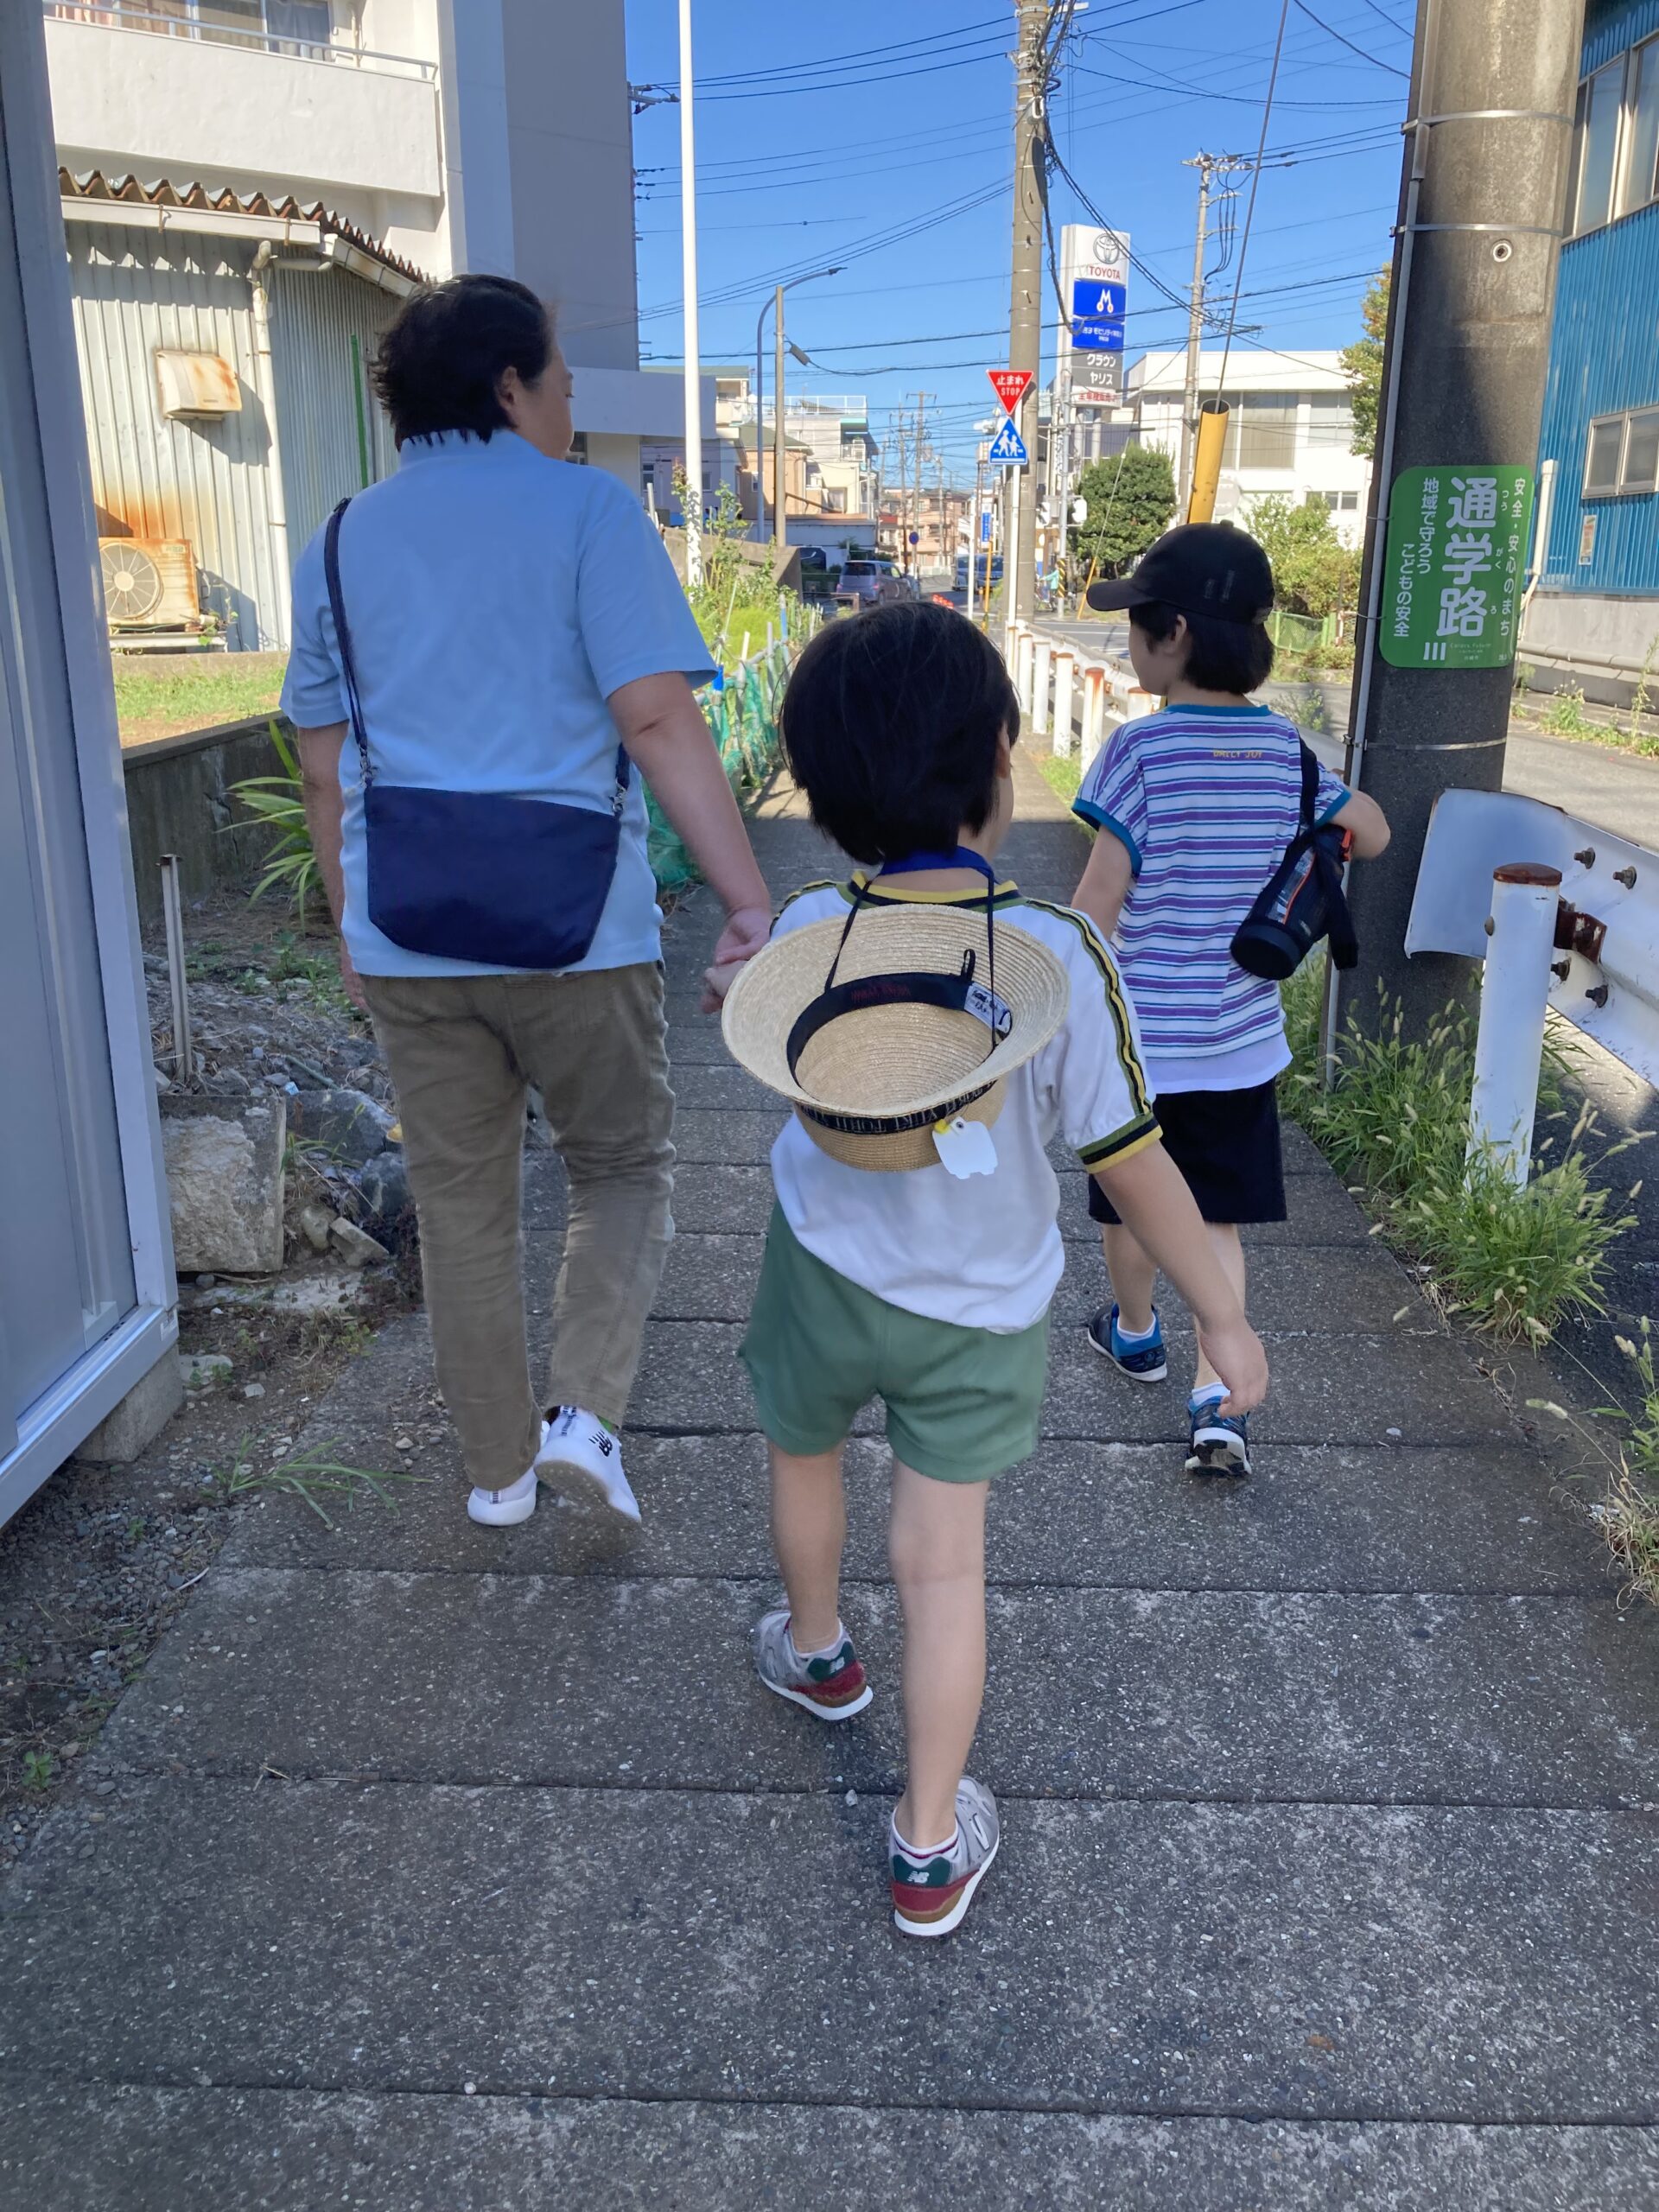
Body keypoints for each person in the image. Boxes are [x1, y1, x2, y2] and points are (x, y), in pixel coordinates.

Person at [715, 601, 1268, 1937]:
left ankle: (816, 1651)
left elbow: (775, 1050)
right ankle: (926, 1843)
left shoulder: (808, 927)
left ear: (823, 793)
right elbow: (1132, 1158)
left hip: (820, 1267)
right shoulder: (1060, 957)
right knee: (941, 1566)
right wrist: (1222, 1317)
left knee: (801, 1455)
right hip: (979, 1312)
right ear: (1002, 761)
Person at [281, 276, 772, 1532]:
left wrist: (350, 925)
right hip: (577, 931)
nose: (567, 403)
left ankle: (497, 1475)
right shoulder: (588, 510)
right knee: (620, 1167)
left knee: (460, 1206)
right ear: (510, 385)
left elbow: (324, 770)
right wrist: (746, 897)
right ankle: (586, 1418)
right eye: (559, 380)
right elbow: (655, 719)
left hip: (408, 927)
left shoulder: (338, 539)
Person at [1070, 523, 1390, 1477]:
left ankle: (1136, 1333)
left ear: (1172, 634)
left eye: (1136, 622)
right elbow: (1371, 830)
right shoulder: (1288, 753)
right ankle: (1218, 1401)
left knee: (1130, 1209)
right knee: (1216, 1223)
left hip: (1140, 1050)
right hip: (1240, 1046)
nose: (1130, 640)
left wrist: (1065, 1011)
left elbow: (1094, 907)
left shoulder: (1139, 753)